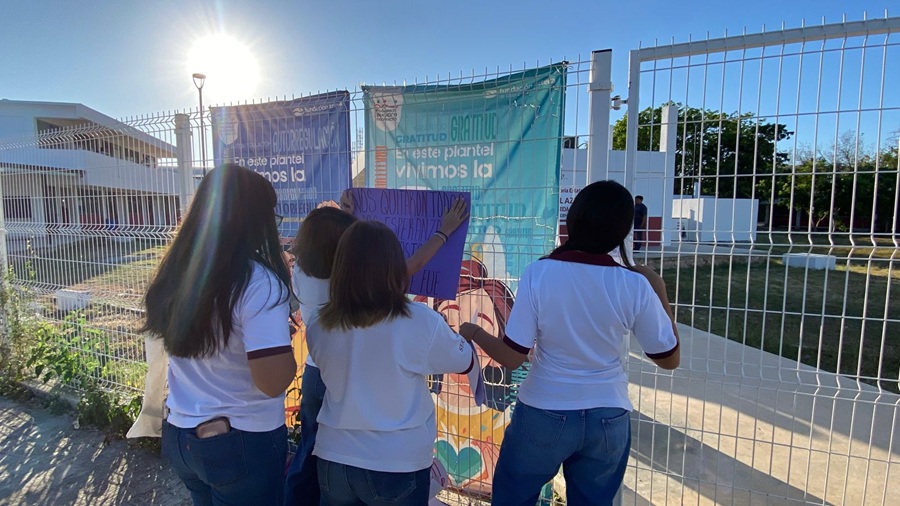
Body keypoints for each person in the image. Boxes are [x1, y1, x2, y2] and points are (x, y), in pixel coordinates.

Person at [459, 180, 680, 505]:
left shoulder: (540, 273)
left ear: (572, 221)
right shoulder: (635, 284)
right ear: (623, 231)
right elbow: (668, 358)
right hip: (608, 414)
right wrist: (659, 289)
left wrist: (474, 332)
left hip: (545, 410)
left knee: (513, 497)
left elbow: (512, 357)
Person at [284, 197, 468, 506]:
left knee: (308, 451)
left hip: (322, 380)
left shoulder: (305, 277)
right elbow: (405, 271)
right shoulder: (370, 296)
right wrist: (443, 232)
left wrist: (346, 218)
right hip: (389, 455)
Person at [143, 164, 296, 505]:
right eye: (271, 216)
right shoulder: (258, 282)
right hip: (240, 442)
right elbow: (272, 382)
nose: (274, 225)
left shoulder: (177, 272)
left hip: (182, 432)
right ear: (252, 220)